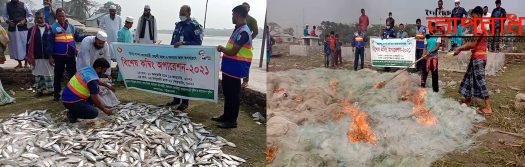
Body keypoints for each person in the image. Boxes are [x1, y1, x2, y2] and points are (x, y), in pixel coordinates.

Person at [214, 5, 253, 129]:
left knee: (233, 95)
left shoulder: (244, 32)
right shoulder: (238, 29)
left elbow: (233, 51)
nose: (232, 17)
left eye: (232, 14)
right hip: (229, 68)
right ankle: (226, 116)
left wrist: (221, 48)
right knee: (227, 93)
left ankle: (232, 121)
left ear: (237, 14)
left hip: (236, 69)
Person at [453, 6, 492, 115]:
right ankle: (468, 100)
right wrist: (461, 48)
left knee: (480, 81)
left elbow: (473, 44)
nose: (472, 19)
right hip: (476, 56)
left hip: (479, 58)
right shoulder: (479, 26)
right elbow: (472, 44)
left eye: (473, 17)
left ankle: (488, 107)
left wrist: (460, 48)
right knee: (469, 78)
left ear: (479, 15)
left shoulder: (480, 27)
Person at [166, 5, 204, 111]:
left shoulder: (195, 25)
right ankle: (176, 99)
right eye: (180, 13)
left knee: (184, 80)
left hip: (187, 59)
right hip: (175, 57)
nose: (181, 15)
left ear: (189, 13)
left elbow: (198, 43)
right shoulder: (178, 25)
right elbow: (173, 40)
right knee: (175, 79)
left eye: (183, 13)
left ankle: (185, 102)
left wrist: (184, 43)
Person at [49, 8, 85, 101]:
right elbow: (50, 43)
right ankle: (56, 95)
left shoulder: (71, 27)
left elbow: (77, 38)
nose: (61, 17)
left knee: (72, 75)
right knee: (58, 75)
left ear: (65, 16)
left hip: (70, 55)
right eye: (60, 16)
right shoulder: (53, 27)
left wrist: (87, 37)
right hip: (59, 55)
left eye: (63, 16)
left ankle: (73, 93)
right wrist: (50, 56)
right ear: (56, 17)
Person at [62, 58, 114, 123]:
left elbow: (96, 80)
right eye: (104, 71)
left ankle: (77, 109)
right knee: (93, 113)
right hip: (71, 101)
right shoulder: (92, 81)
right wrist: (104, 109)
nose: (104, 73)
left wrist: (108, 86)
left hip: (66, 97)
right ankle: (72, 114)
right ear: (99, 68)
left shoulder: (87, 69)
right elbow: (95, 98)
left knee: (93, 99)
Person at [26, 11, 53, 97]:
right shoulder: (31, 30)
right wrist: (29, 56)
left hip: (48, 56)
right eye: (37, 18)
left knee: (49, 74)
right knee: (38, 75)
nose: (39, 19)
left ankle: (50, 90)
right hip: (36, 56)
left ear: (44, 17)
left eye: (41, 18)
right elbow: (28, 44)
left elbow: (53, 43)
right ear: (35, 19)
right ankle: (39, 91)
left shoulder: (50, 29)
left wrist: (52, 56)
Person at [2, 0, 33, 69]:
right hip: (12, 29)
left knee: (25, 46)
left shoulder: (24, 4)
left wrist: (25, 20)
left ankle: (26, 63)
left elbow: (30, 16)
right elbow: (4, 15)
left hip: (23, 29)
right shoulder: (7, 5)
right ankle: (19, 63)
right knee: (15, 46)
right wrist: (7, 21)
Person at [422, 22, 442, 93]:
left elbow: (437, 46)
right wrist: (423, 54)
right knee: (424, 73)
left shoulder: (438, 36)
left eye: (431, 27)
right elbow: (425, 47)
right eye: (429, 27)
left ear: (434, 27)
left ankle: (435, 90)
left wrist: (430, 51)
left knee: (434, 74)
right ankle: (422, 87)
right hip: (426, 57)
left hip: (434, 58)